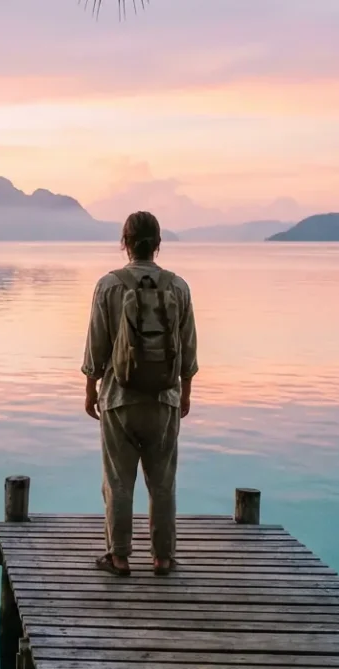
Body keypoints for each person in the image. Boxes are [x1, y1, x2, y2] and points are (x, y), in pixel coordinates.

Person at [80, 211, 198, 576]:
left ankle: (119, 556)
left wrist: (90, 388)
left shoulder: (109, 285)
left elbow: (96, 346)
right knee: (162, 481)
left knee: (118, 480)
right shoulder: (178, 287)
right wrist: (186, 391)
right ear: (159, 244)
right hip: (164, 398)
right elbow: (189, 346)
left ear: (124, 242)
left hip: (118, 399)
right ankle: (163, 557)